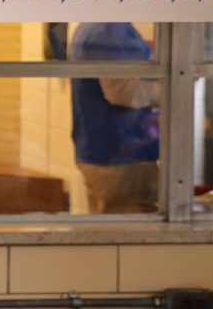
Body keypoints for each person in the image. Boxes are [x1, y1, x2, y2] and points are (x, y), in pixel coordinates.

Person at [68, 22, 161, 214]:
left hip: (107, 154)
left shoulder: (95, 26)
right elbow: (123, 91)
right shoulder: (109, 29)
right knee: (127, 237)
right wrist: (175, 85)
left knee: (106, 235)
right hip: (120, 159)